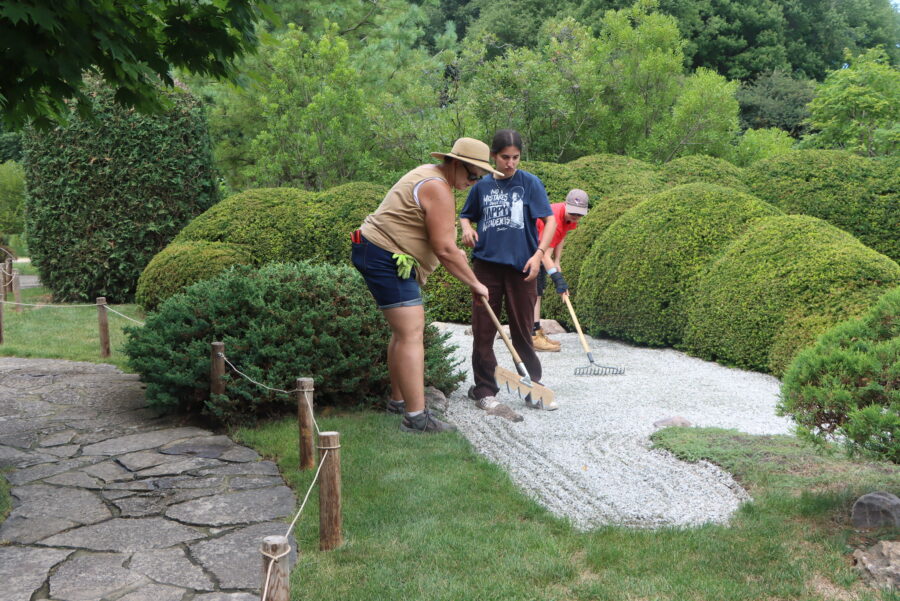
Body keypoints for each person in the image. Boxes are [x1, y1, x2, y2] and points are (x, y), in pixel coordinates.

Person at [351, 138, 500, 433]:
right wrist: (475, 283)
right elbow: (445, 249)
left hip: (377, 251)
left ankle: (398, 402)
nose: (474, 182)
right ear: (456, 163)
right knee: (412, 332)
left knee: (403, 331)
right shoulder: (437, 187)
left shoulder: (428, 174)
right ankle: (416, 417)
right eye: (472, 175)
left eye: (479, 178)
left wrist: (470, 280)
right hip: (384, 255)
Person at [459, 129, 558, 410]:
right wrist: (466, 228)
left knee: (522, 331)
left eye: (515, 158)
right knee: (483, 331)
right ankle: (485, 390)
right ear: (493, 156)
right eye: (505, 157)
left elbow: (549, 221)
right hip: (486, 269)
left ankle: (532, 388)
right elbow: (466, 215)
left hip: (522, 268)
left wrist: (539, 255)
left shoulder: (530, 183)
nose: (510, 163)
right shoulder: (481, 186)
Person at [532, 189, 590, 351]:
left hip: (540, 249)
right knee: (533, 291)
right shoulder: (554, 218)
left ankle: (536, 331)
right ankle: (532, 336)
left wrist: (557, 260)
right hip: (528, 248)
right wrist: (559, 280)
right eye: (572, 212)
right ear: (566, 205)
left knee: (538, 291)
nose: (575, 217)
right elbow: (544, 255)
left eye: (579, 214)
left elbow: (561, 236)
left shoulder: (568, 219)